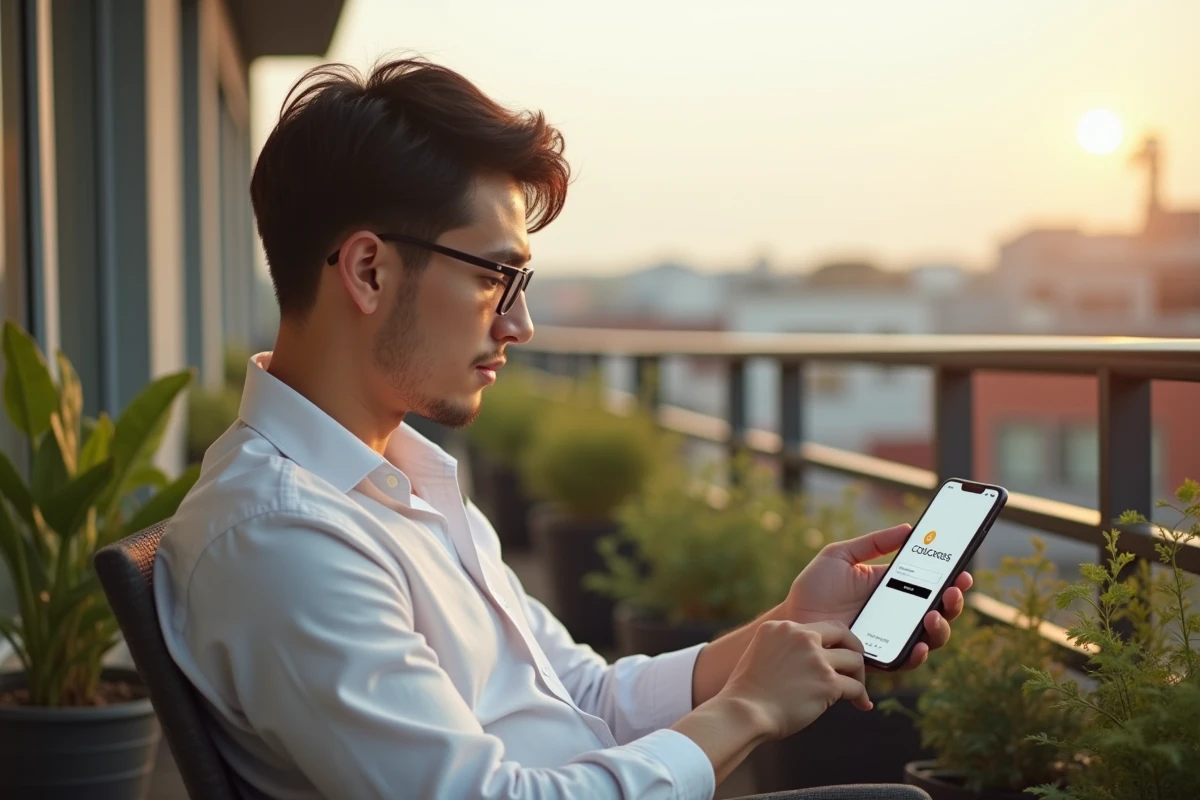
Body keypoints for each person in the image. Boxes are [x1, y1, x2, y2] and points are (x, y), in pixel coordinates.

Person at [154, 57, 970, 800]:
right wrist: (750, 709)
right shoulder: (284, 537)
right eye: (496, 278)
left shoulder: (398, 479)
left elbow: (581, 695)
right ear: (369, 270)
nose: (522, 324)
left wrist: (788, 625)